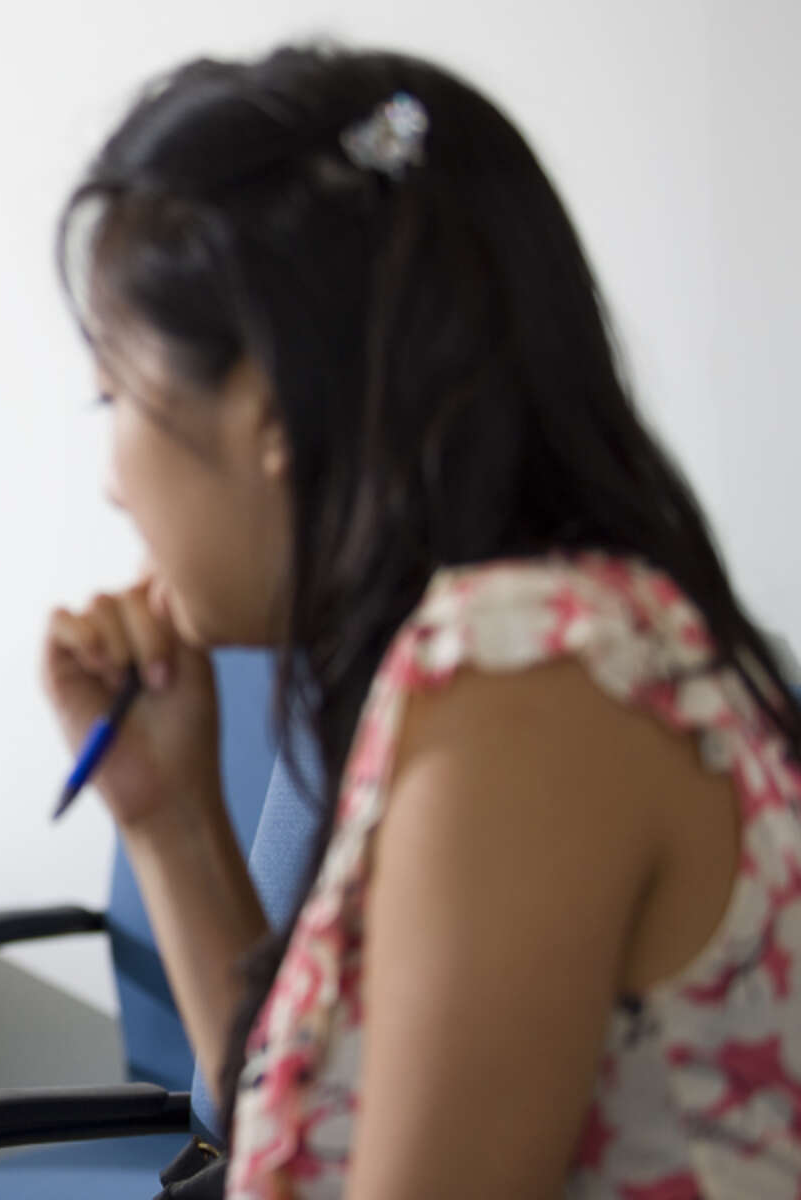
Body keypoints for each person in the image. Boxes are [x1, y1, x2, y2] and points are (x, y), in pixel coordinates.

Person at [41, 45, 801, 1198]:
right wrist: (169, 813)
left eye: (117, 394)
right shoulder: (554, 642)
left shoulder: (529, 679)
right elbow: (298, 1143)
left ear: (268, 407)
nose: (110, 478)